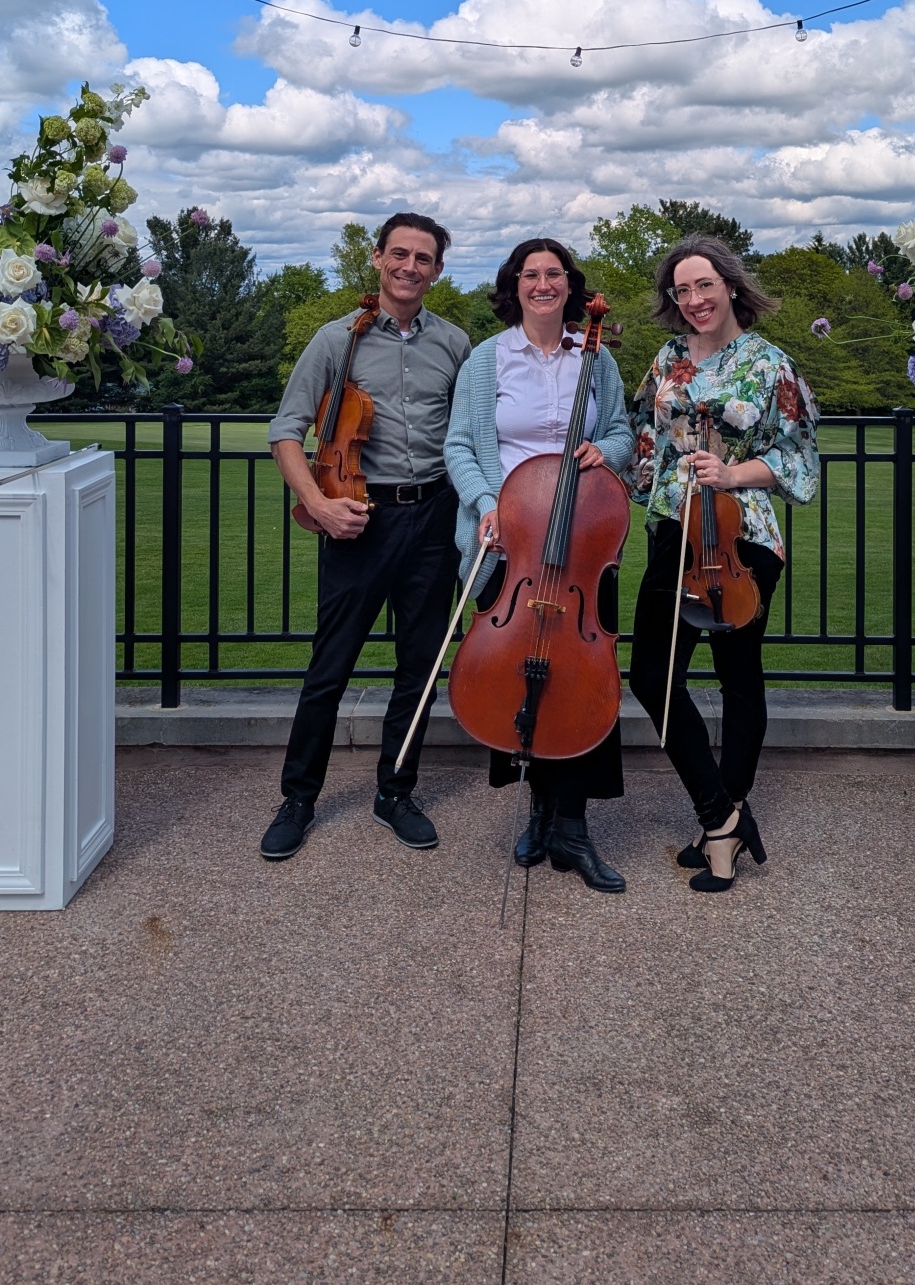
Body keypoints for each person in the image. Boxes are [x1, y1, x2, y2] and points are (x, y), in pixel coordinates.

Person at [259, 214, 471, 861]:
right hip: (358, 516)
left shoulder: (455, 343)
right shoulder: (334, 340)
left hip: (433, 517)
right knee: (331, 666)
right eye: (399, 254)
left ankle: (395, 792)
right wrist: (317, 504)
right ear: (378, 258)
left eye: (423, 258)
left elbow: (471, 433)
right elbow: (286, 431)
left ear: (437, 271)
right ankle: (298, 799)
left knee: (419, 668)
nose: (410, 267)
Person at [444, 238, 636, 893]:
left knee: (579, 677)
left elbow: (620, 431)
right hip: (511, 543)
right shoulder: (487, 359)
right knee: (519, 675)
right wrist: (486, 505)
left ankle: (572, 827)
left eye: (555, 274)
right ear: (515, 285)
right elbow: (460, 446)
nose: (543, 284)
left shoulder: (596, 357)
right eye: (531, 274)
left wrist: (604, 452)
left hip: (582, 545)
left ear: (570, 287)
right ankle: (539, 812)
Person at [627, 236, 818, 893]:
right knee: (652, 675)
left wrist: (733, 472)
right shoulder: (667, 358)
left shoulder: (771, 365)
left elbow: (798, 456)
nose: (694, 299)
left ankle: (723, 820)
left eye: (703, 284)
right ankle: (723, 816)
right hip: (675, 528)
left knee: (738, 675)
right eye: (681, 290)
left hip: (744, 536)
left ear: (730, 286)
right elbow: (645, 439)